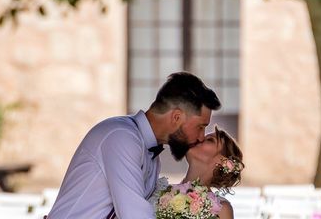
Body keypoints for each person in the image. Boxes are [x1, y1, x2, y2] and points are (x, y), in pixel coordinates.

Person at [47, 72, 221, 219]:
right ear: (176, 117)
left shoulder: (150, 152)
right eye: (200, 127)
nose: (201, 137)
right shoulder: (121, 137)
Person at [173, 126, 244, 219]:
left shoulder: (221, 210)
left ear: (223, 162)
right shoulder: (163, 194)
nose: (200, 138)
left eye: (210, 140)